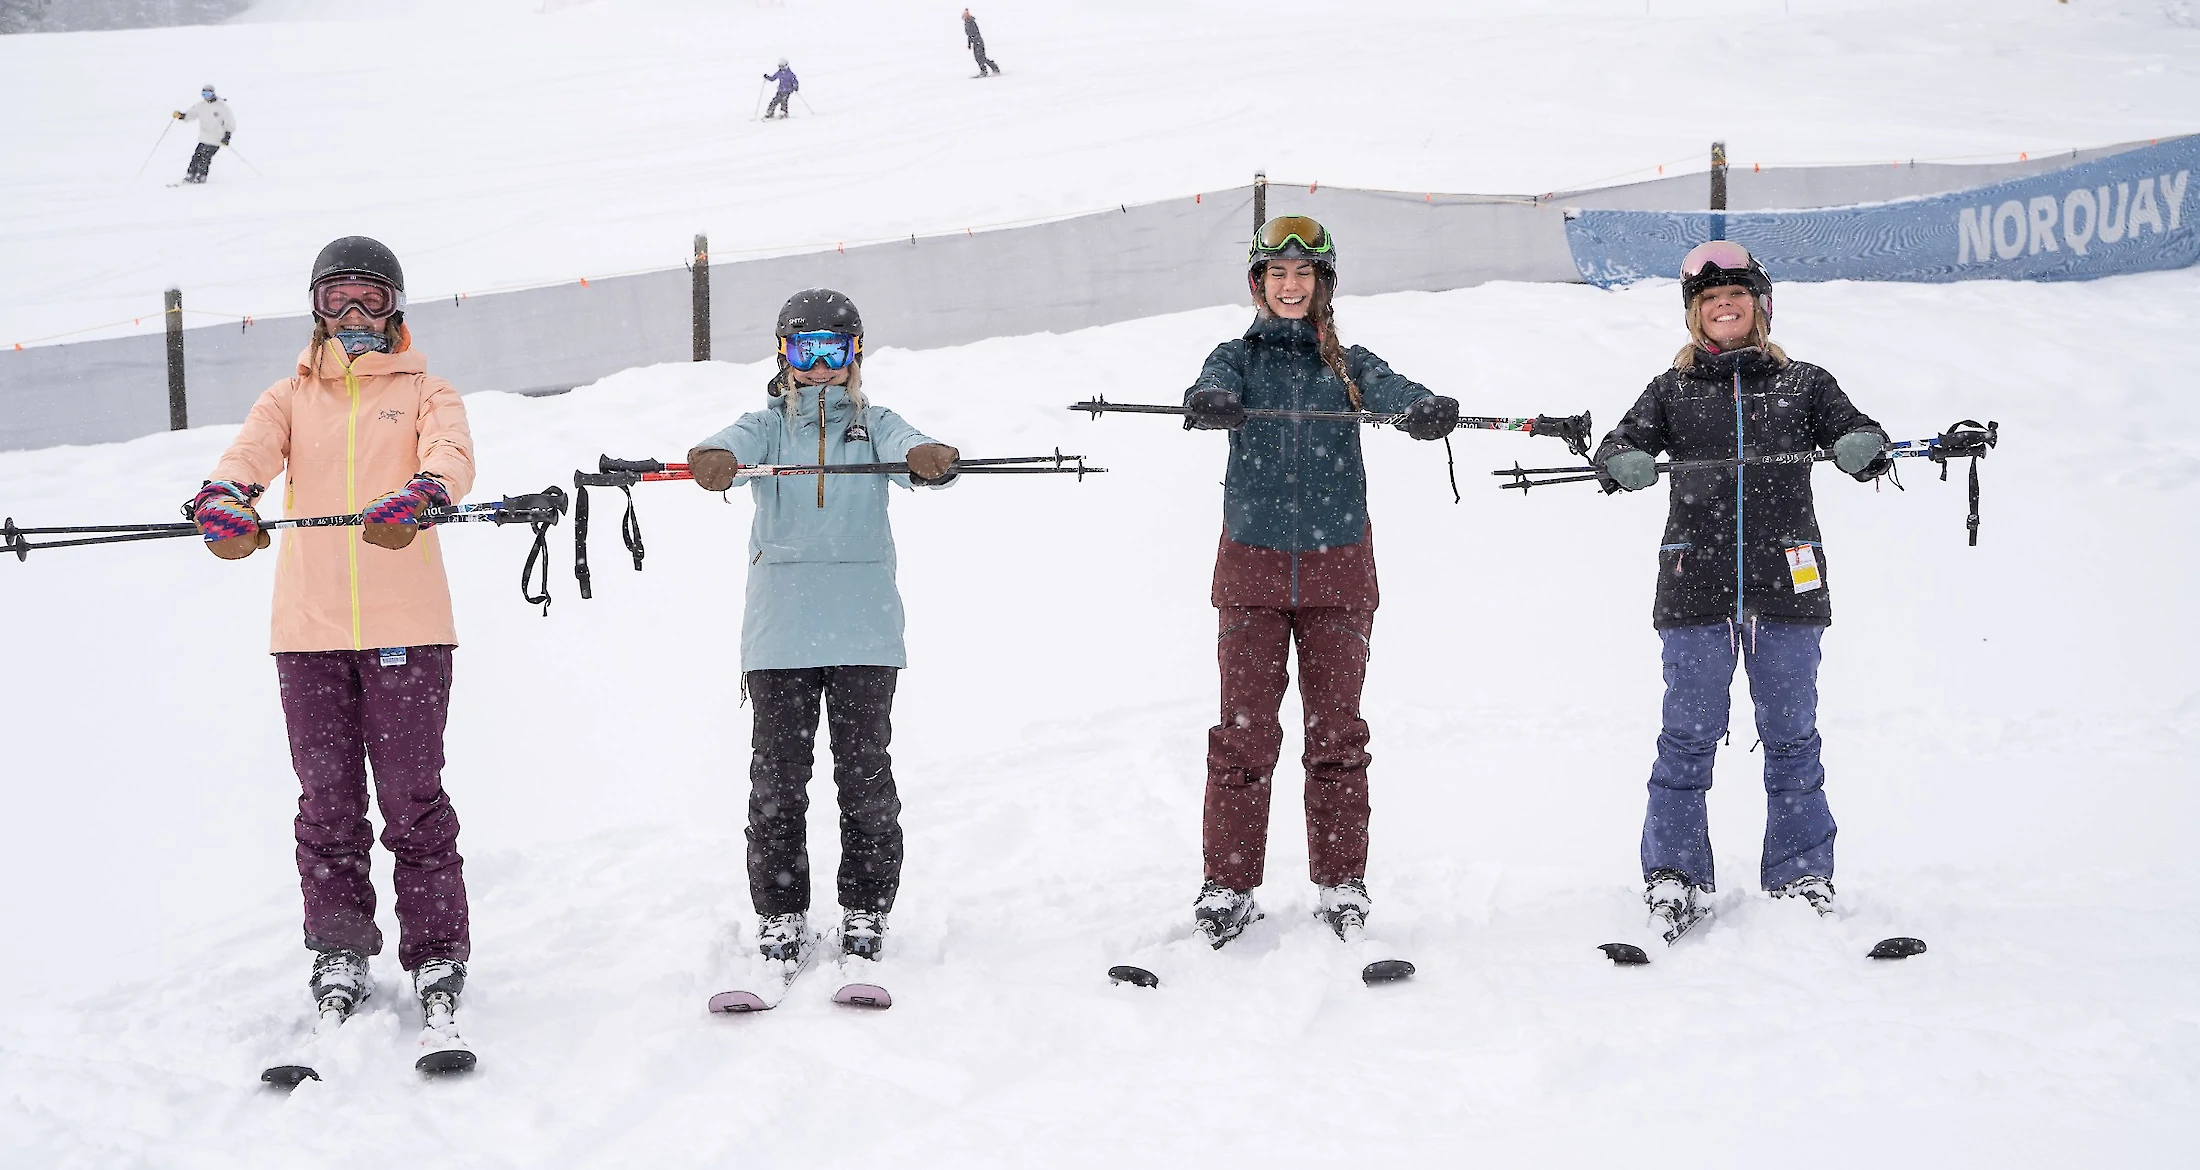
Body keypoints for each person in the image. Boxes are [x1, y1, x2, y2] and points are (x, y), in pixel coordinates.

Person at [189, 236, 479, 1069]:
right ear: (315, 307)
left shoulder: (428, 390)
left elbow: (451, 457)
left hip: (407, 631)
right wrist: (224, 498)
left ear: (396, 310)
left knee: (414, 804)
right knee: (327, 806)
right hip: (308, 635)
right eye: (338, 299)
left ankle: (437, 955)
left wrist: (423, 495)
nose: (354, 316)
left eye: (371, 300)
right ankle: (341, 948)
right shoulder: (287, 397)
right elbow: (245, 458)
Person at [1590, 240, 1891, 938]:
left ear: (1761, 308)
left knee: (1791, 737)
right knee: (1687, 737)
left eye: (1737, 297)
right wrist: (1623, 460)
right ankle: (1676, 874)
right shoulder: (1671, 389)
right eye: (1709, 300)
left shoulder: (1805, 383)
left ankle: (1801, 874)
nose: (1724, 306)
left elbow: (1858, 434)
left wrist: (1863, 447)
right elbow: (1617, 445)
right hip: (1695, 584)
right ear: (1695, 317)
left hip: (1789, 581)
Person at [1180, 215, 1460, 947]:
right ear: (1258, 283)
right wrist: (1208, 403)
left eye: (1304, 274)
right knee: (1243, 736)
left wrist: (1420, 407)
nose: (1291, 285)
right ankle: (1229, 883)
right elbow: (1207, 384)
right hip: (1252, 569)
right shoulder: (1235, 360)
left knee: (1336, 734)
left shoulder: (1349, 363)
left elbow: (1392, 389)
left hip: (1339, 569)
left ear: (1324, 284)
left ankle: (1341, 879)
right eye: (1277, 274)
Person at [685, 289, 961, 967]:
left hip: (863, 628)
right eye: (803, 350)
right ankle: (780, 912)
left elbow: (913, 449)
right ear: (784, 354)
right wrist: (713, 458)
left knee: (865, 776)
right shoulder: (766, 425)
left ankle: (865, 905)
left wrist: (929, 459)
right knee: (778, 781)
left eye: (831, 351)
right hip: (781, 631)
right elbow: (729, 444)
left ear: (853, 355)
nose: (817, 365)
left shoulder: (875, 422)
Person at [171, 84, 235, 184]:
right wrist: (181, 116)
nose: (206, 96)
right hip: (204, 137)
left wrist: (227, 135)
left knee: (205, 157)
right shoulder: (201, 106)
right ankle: (190, 175)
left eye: (208, 93)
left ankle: (201, 176)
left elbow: (230, 122)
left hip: (217, 138)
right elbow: (191, 114)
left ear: (213, 93)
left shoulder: (222, 107)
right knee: (197, 156)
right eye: (204, 94)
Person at [962, 9, 1000, 76]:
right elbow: (969, 35)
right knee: (978, 58)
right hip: (975, 42)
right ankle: (987, 69)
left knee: (981, 57)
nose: (963, 17)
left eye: (965, 15)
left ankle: (989, 69)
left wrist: (974, 40)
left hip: (978, 41)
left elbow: (975, 33)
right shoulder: (967, 24)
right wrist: (969, 44)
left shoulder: (971, 22)